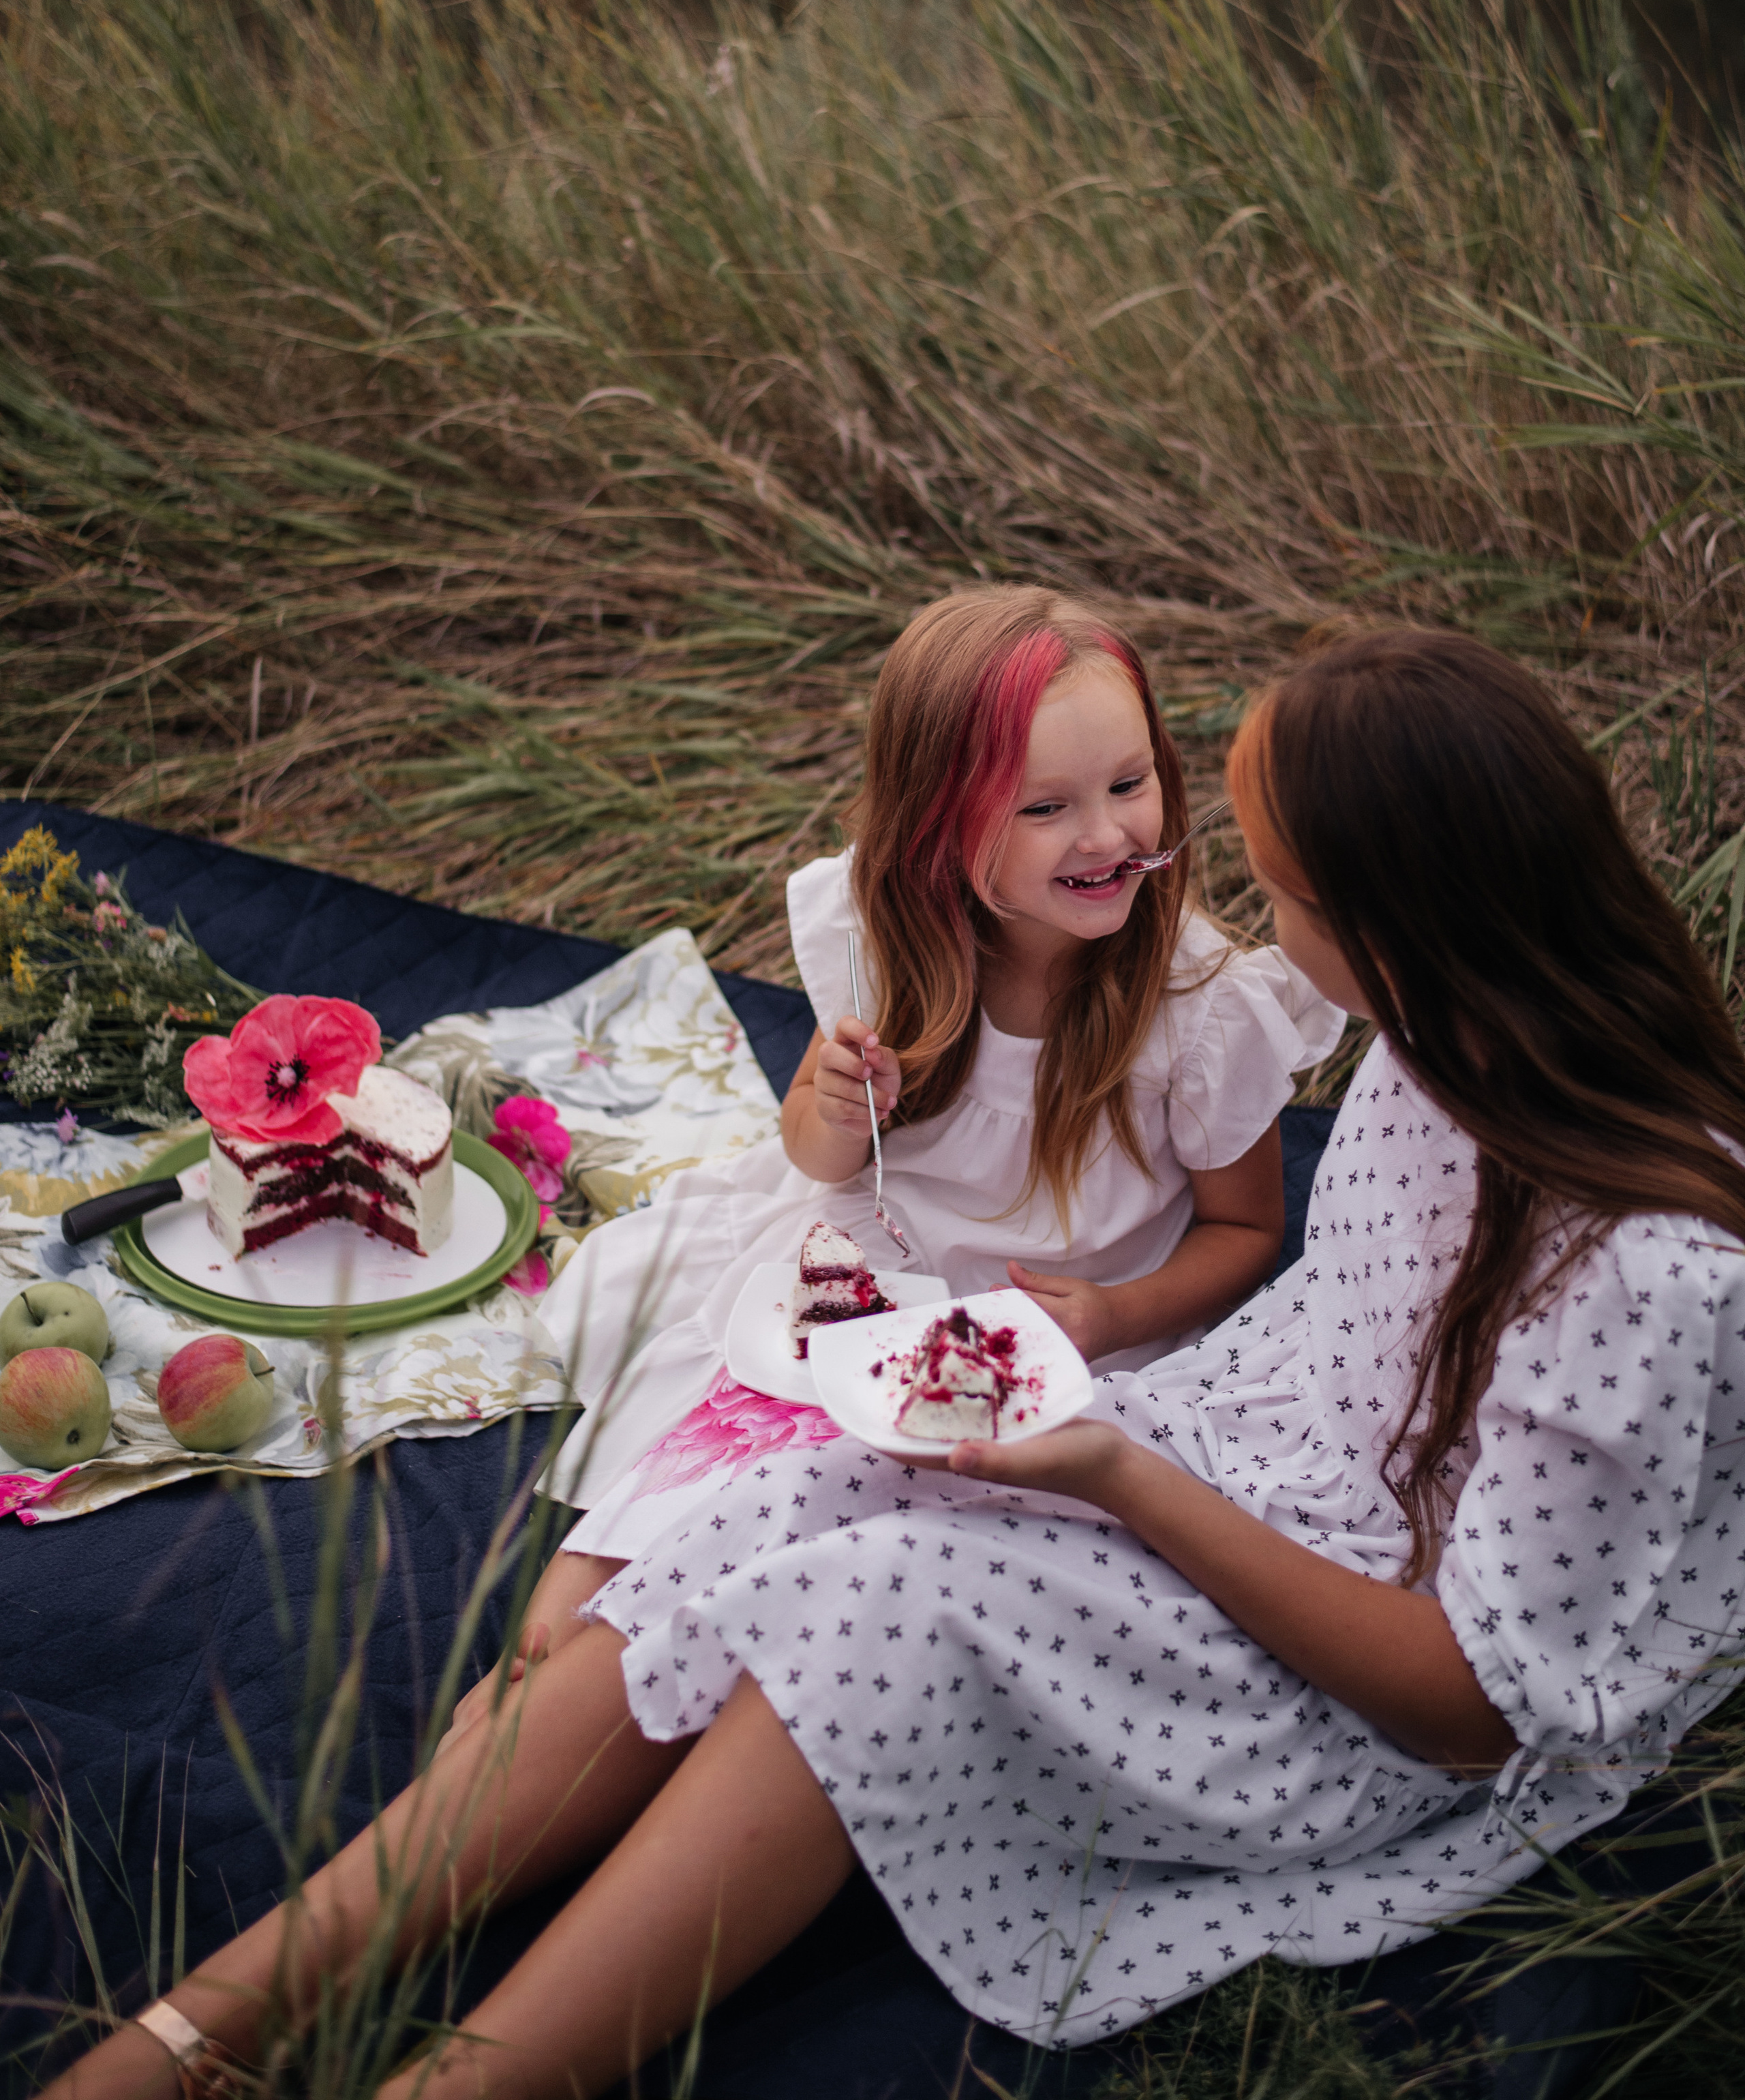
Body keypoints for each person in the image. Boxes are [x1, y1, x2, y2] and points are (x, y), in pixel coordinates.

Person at [56, 626, 1745, 2100]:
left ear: (1383, 926)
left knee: (882, 1612)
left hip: (1350, 1669)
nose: (1215, 897)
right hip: (1249, 1458)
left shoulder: (1651, 1275)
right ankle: (218, 2019)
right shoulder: (1438, 1042)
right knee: (816, 1479)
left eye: (1272, 886)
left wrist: (1112, 1470)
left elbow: (1465, 1711)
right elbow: (1326, 1348)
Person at [509, 584, 1340, 1688]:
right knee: (654, 1519)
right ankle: (537, 1682)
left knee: (835, 1557)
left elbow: (1246, 1230)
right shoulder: (892, 934)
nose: (1106, 834)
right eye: (1045, 807)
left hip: (1057, 1331)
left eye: (1129, 784)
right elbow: (814, 1157)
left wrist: (1116, 1314)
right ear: (940, 821)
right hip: (868, 1282)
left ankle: (674, 1692)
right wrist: (835, 1111)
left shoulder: (1198, 1009)